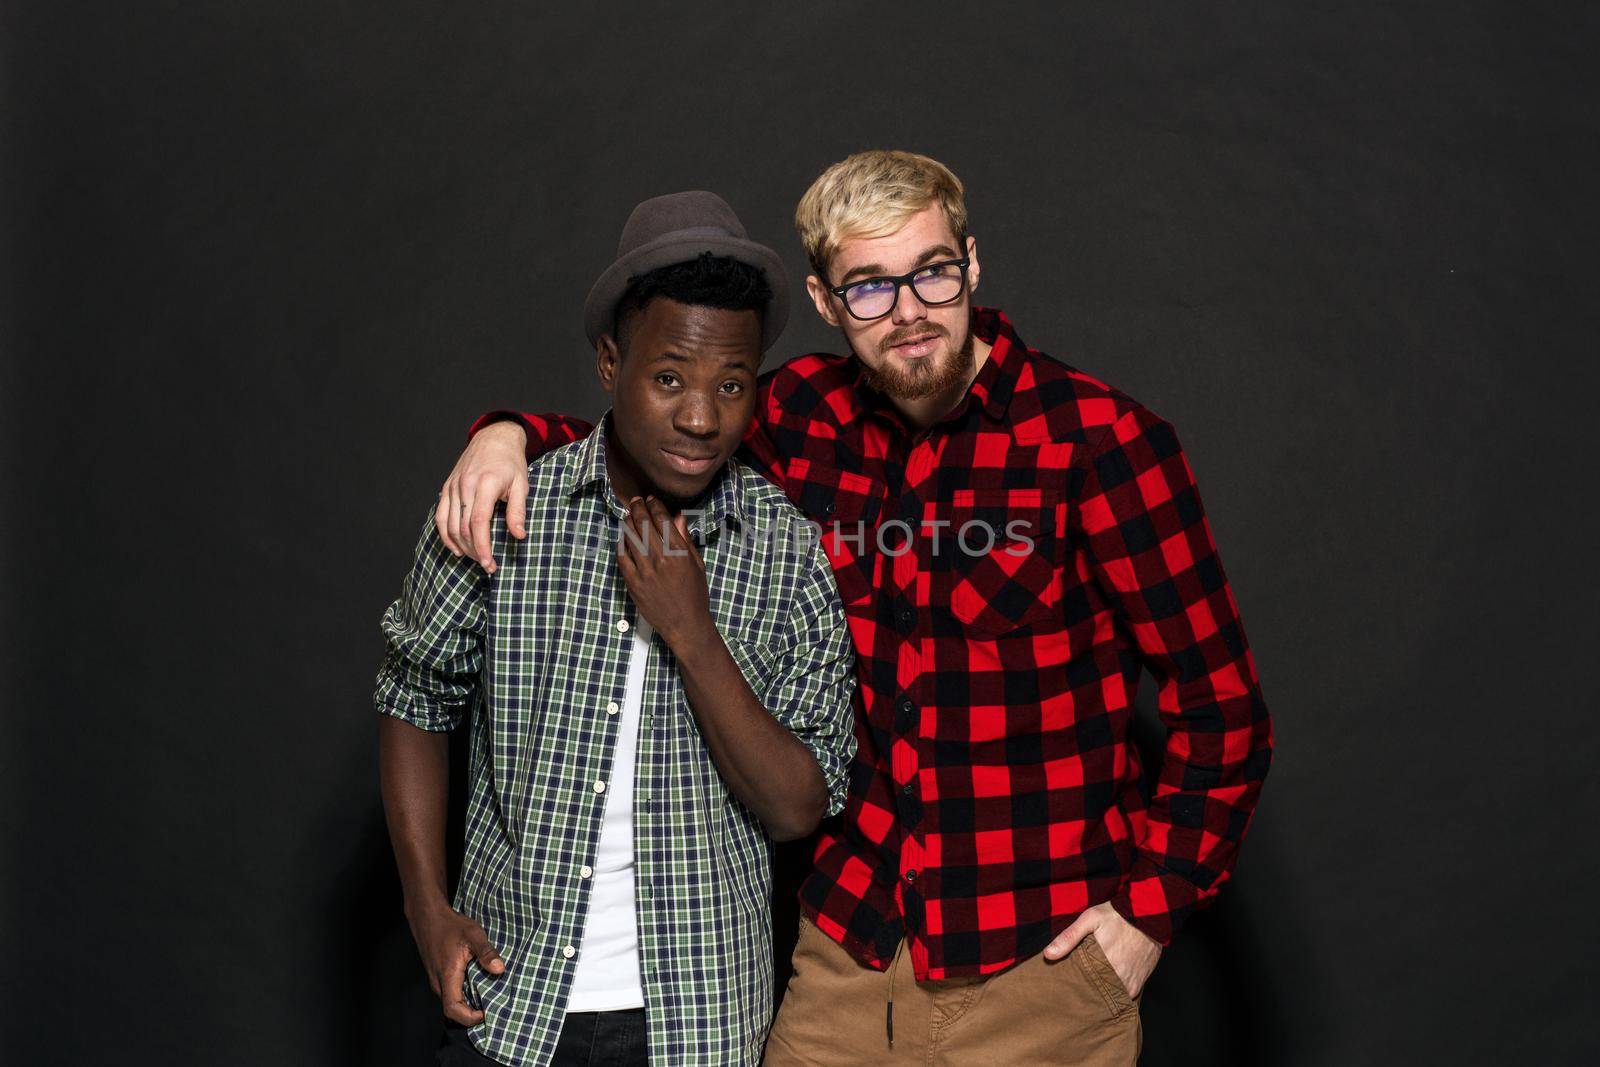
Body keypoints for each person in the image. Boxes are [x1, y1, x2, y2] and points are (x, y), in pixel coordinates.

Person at [436, 151, 1274, 1065]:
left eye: (932, 272)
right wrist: (511, 434)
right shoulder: (800, 416)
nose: (909, 308)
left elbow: (1223, 709)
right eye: (870, 286)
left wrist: (1148, 916)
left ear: (973, 265)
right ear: (829, 304)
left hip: (1039, 971)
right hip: (848, 955)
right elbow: (665, 427)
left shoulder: (1101, 443)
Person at [374, 191, 858, 1067]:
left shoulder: (786, 551)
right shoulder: (505, 511)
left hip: (700, 1023)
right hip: (511, 1007)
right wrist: (424, 905)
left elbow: (800, 805)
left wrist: (692, 630)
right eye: (669, 377)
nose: (702, 417)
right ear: (609, 361)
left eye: (732, 385)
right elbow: (413, 691)